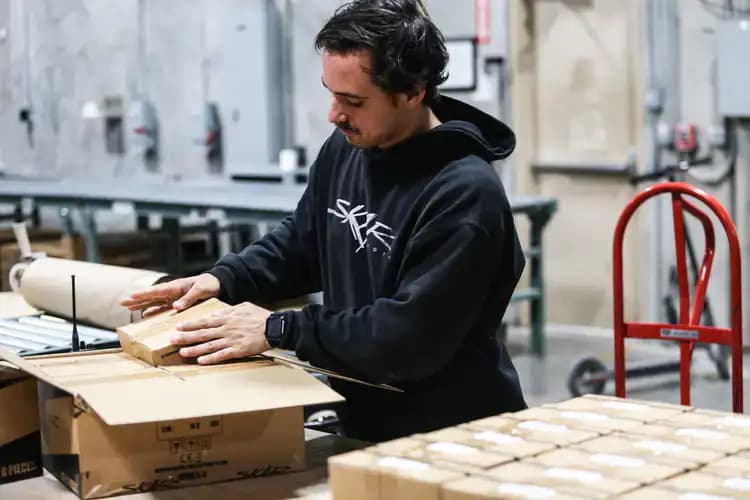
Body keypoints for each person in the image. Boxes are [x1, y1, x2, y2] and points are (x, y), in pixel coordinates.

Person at [122, 0, 527, 443]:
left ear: (412, 92)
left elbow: (408, 339)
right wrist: (223, 280)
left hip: (455, 435)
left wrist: (279, 328)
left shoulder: (465, 194)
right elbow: (303, 243)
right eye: (331, 93)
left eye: (352, 100)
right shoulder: (348, 147)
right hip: (366, 425)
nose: (333, 114)